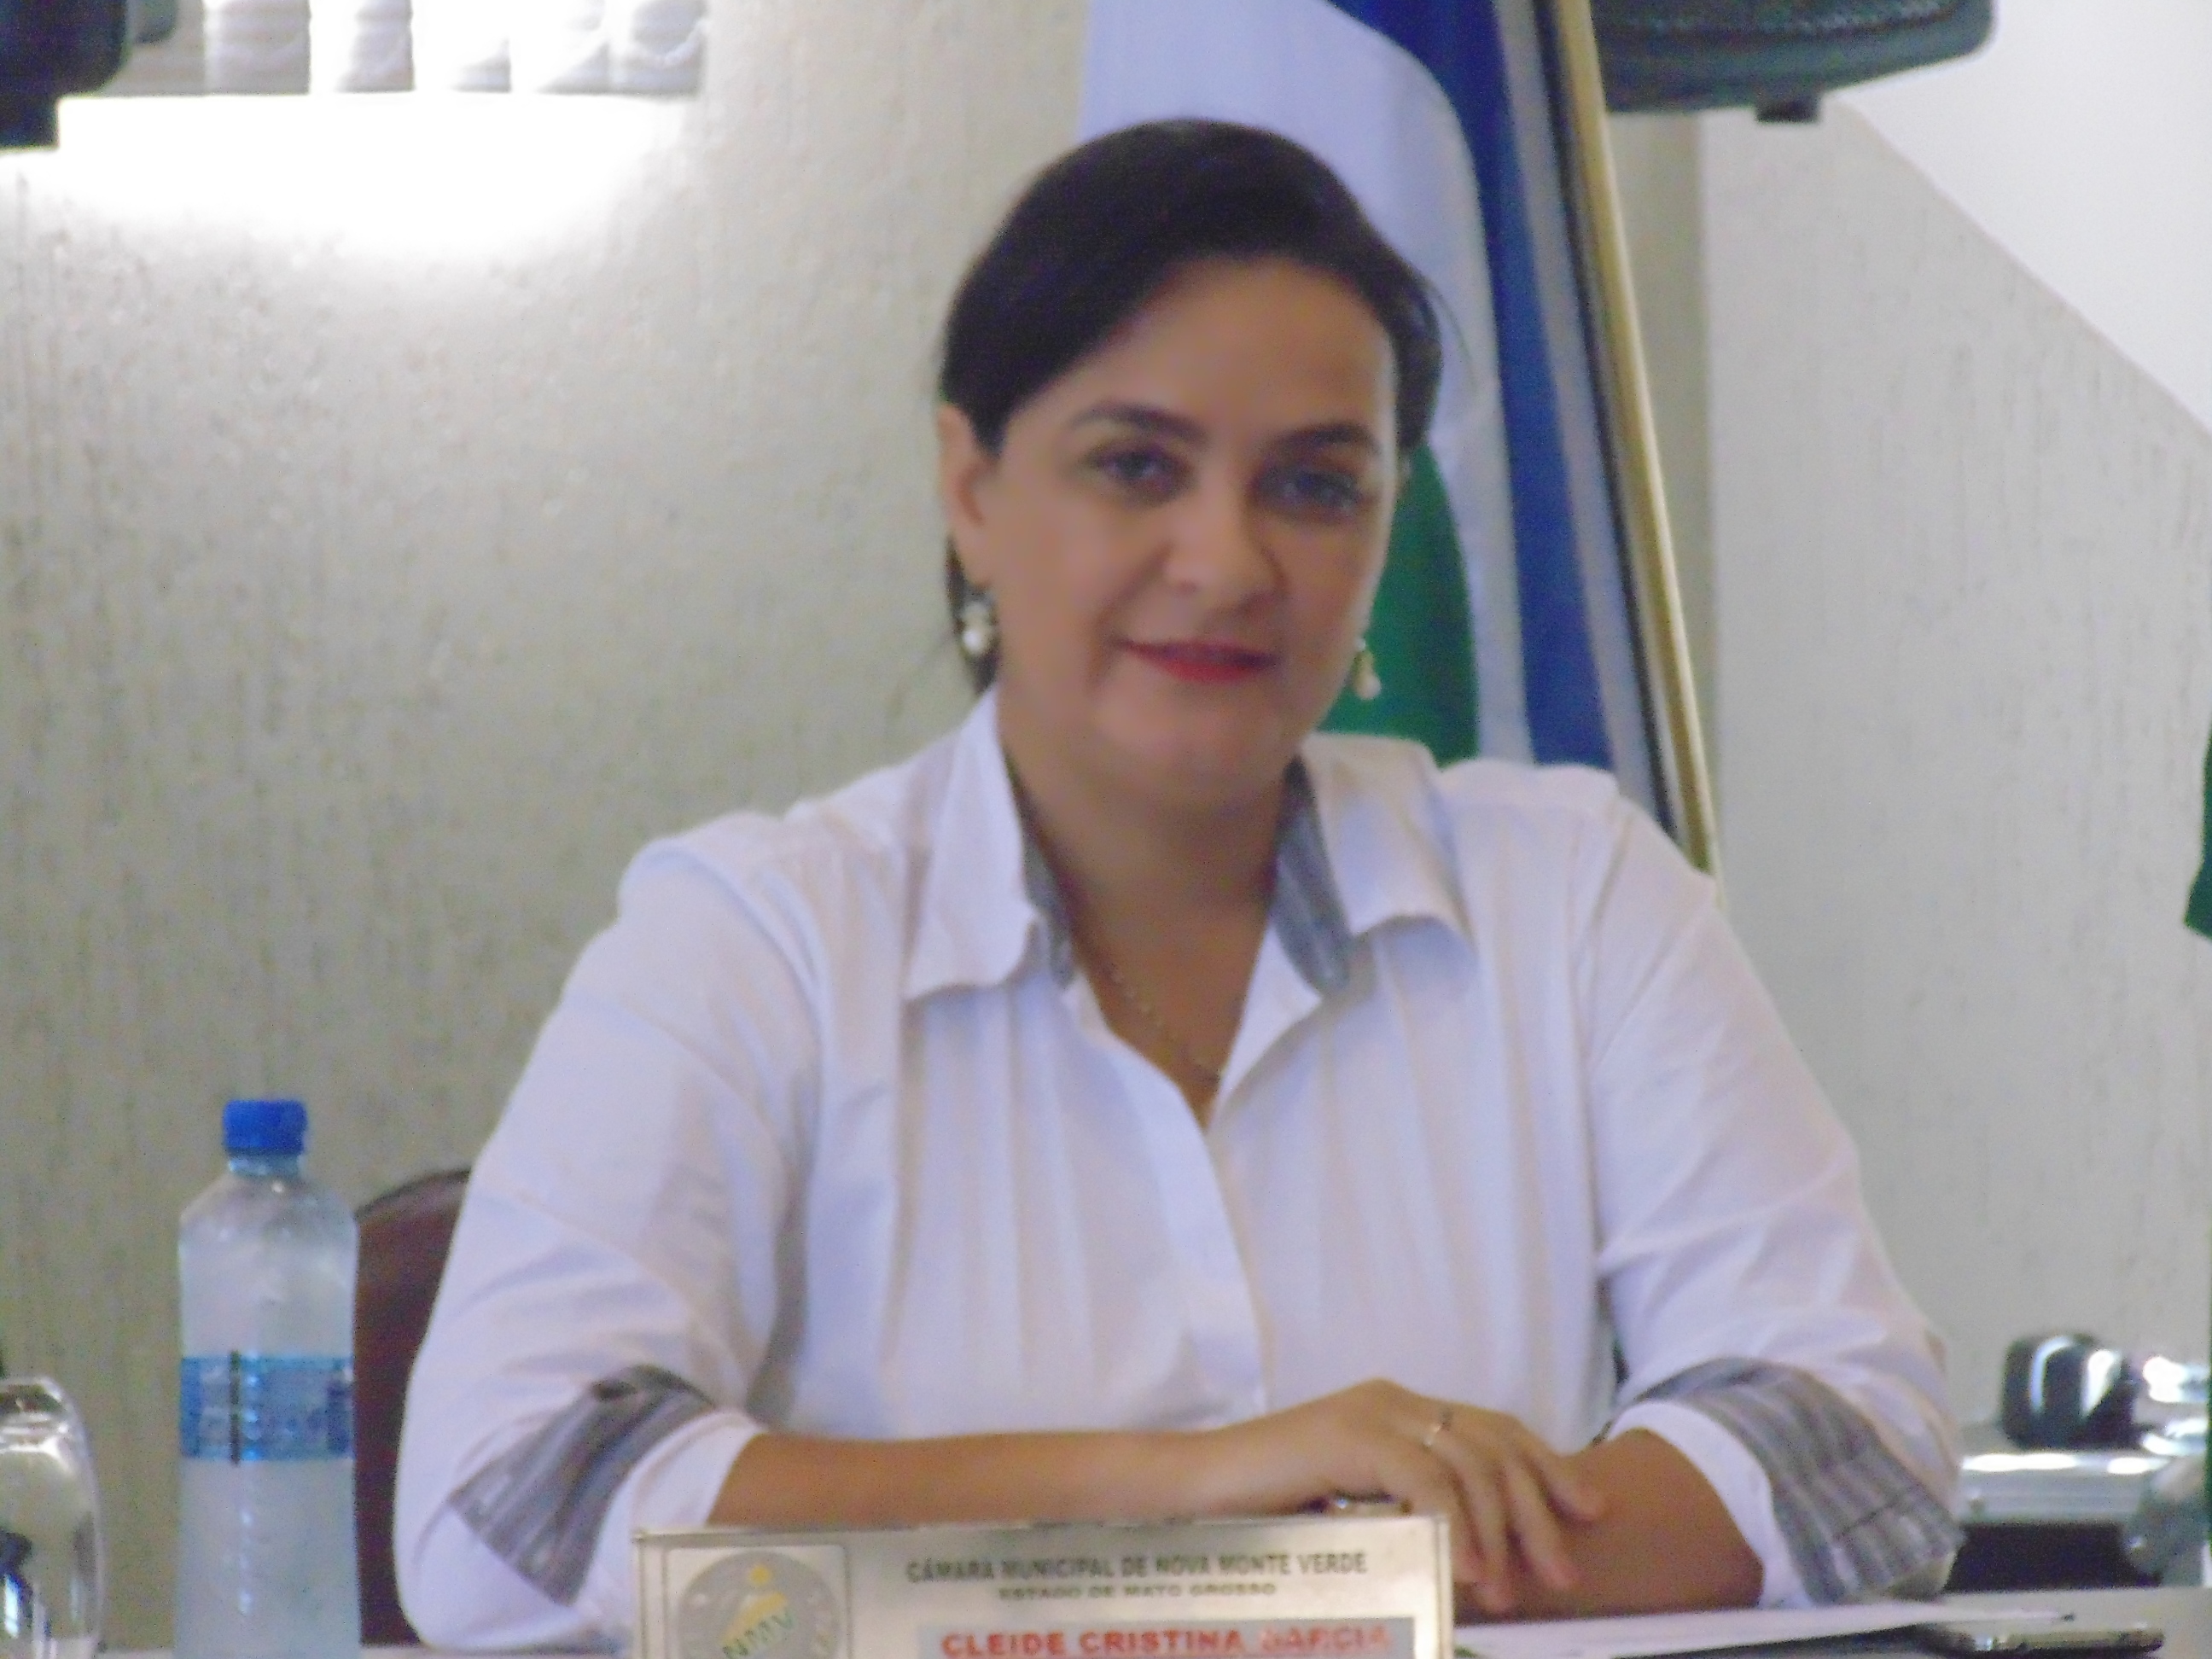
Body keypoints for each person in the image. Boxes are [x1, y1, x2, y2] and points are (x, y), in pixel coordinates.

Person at [394, 120, 1960, 1651]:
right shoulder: (757, 939)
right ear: (971, 490)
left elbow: (1853, 1443)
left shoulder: (1574, 895)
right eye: (1137, 466)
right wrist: (1200, 1489)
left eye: (1315, 486)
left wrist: (1321, 1586)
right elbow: (504, 1509)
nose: (1225, 561)